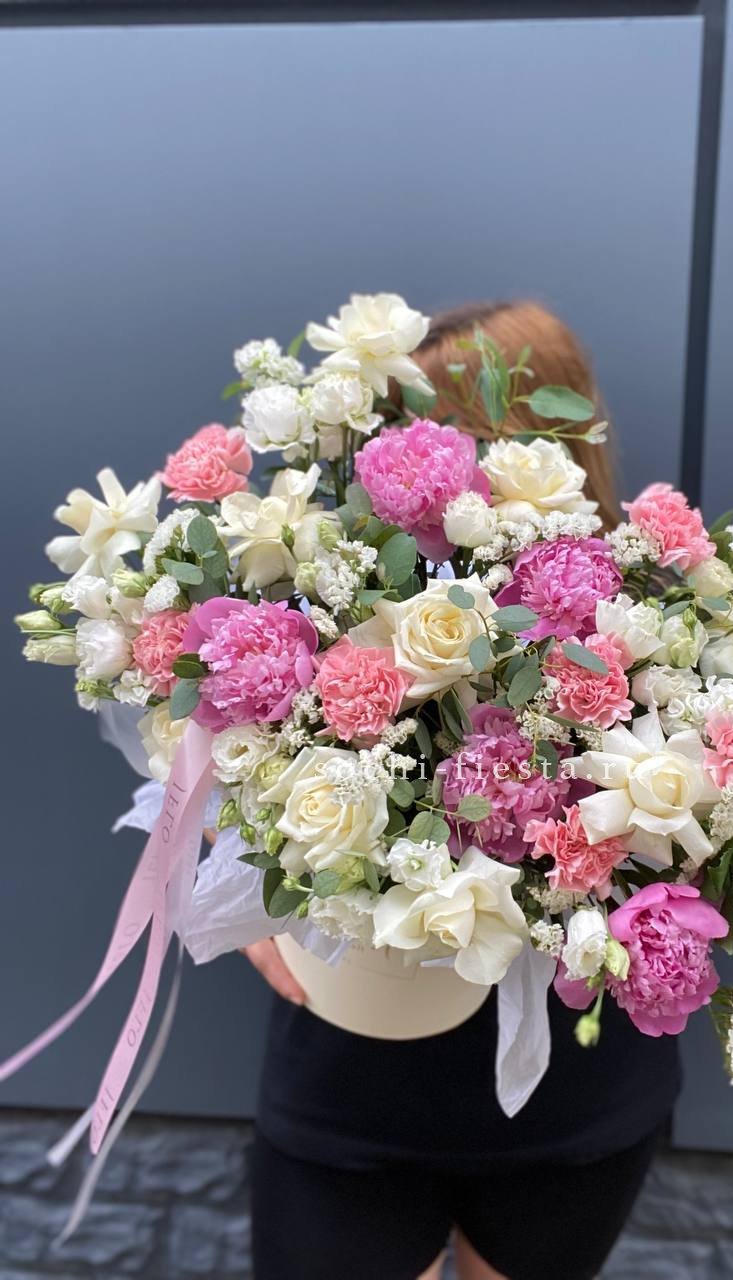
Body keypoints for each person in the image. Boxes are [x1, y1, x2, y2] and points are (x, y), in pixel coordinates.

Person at [246, 301, 681, 1280]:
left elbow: (705, 848)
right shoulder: (325, 595)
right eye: (398, 434)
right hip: (349, 1077)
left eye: (450, 436)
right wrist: (236, 892)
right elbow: (215, 768)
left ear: (538, 443)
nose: (412, 466)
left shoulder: (654, 622)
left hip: (570, 1101)